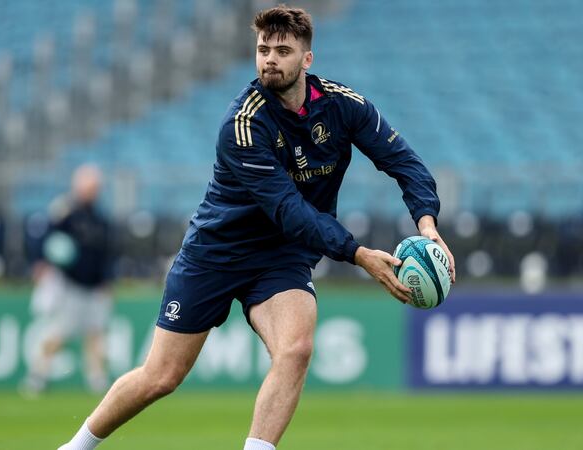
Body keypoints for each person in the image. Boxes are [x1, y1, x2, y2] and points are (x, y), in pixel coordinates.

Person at [58, 5, 455, 450]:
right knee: (161, 376)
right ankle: (75, 447)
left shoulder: (344, 106)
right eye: (263, 49)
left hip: (282, 255)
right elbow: (289, 210)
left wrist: (427, 224)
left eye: (282, 51)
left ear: (307, 59)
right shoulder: (243, 124)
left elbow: (404, 162)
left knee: (296, 350)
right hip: (217, 251)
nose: (269, 59)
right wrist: (359, 254)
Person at [23, 164, 116, 395]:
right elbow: (46, 237)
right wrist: (41, 262)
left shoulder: (99, 217)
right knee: (59, 332)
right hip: (71, 283)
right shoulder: (65, 211)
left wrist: (107, 280)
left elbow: (107, 251)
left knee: (96, 332)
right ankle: (38, 374)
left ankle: (96, 378)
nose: (93, 191)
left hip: (94, 286)